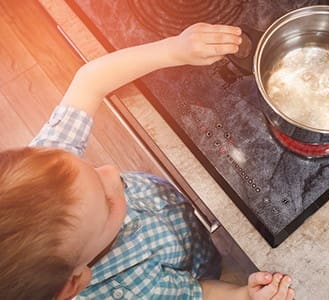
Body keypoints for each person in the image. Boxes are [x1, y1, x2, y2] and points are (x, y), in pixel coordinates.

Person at [0, 23, 294, 300]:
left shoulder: (45, 173)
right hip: (194, 256)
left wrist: (172, 50)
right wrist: (242, 294)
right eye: (107, 202)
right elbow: (195, 292)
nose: (113, 173)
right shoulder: (126, 289)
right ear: (74, 283)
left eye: (89, 168)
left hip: (168, 203)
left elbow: (89, 81)